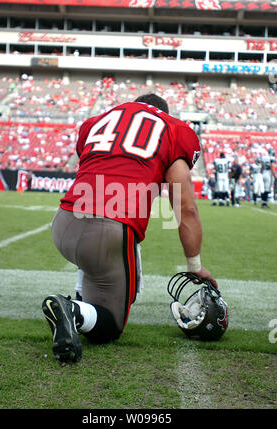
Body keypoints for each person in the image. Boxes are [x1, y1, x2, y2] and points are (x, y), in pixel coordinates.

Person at [42, 93, 218, 364]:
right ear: (165, 113)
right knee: (109, 325)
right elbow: (185, 206)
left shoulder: (95, 122)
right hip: (108, 230)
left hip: (63, 222)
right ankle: (73, 309)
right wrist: (195, 265)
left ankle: (80, 298)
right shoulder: (174, 129)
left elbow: (93, 169)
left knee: (109, 263)